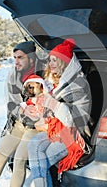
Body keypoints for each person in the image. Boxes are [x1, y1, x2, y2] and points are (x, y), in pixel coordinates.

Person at [27, 39, 93, 186]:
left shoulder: (78, 84)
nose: (51, 64)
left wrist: (52, 103)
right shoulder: (58, 83)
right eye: (50, 60)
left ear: (64, 62)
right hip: (57, 130)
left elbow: (71, 120)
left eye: (55, 60)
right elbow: (49, 113)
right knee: (33, 144)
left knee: (40, 163)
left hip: (75, 134)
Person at [0, 41, 43, 187]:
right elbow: (11, 104)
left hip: (35, 127)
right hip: (19, 123)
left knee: (19, 161)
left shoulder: (43, 75)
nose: (16, 62)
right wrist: (22, 111)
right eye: (15, 57)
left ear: (31, 59)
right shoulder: (13, 76)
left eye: (20, 57)